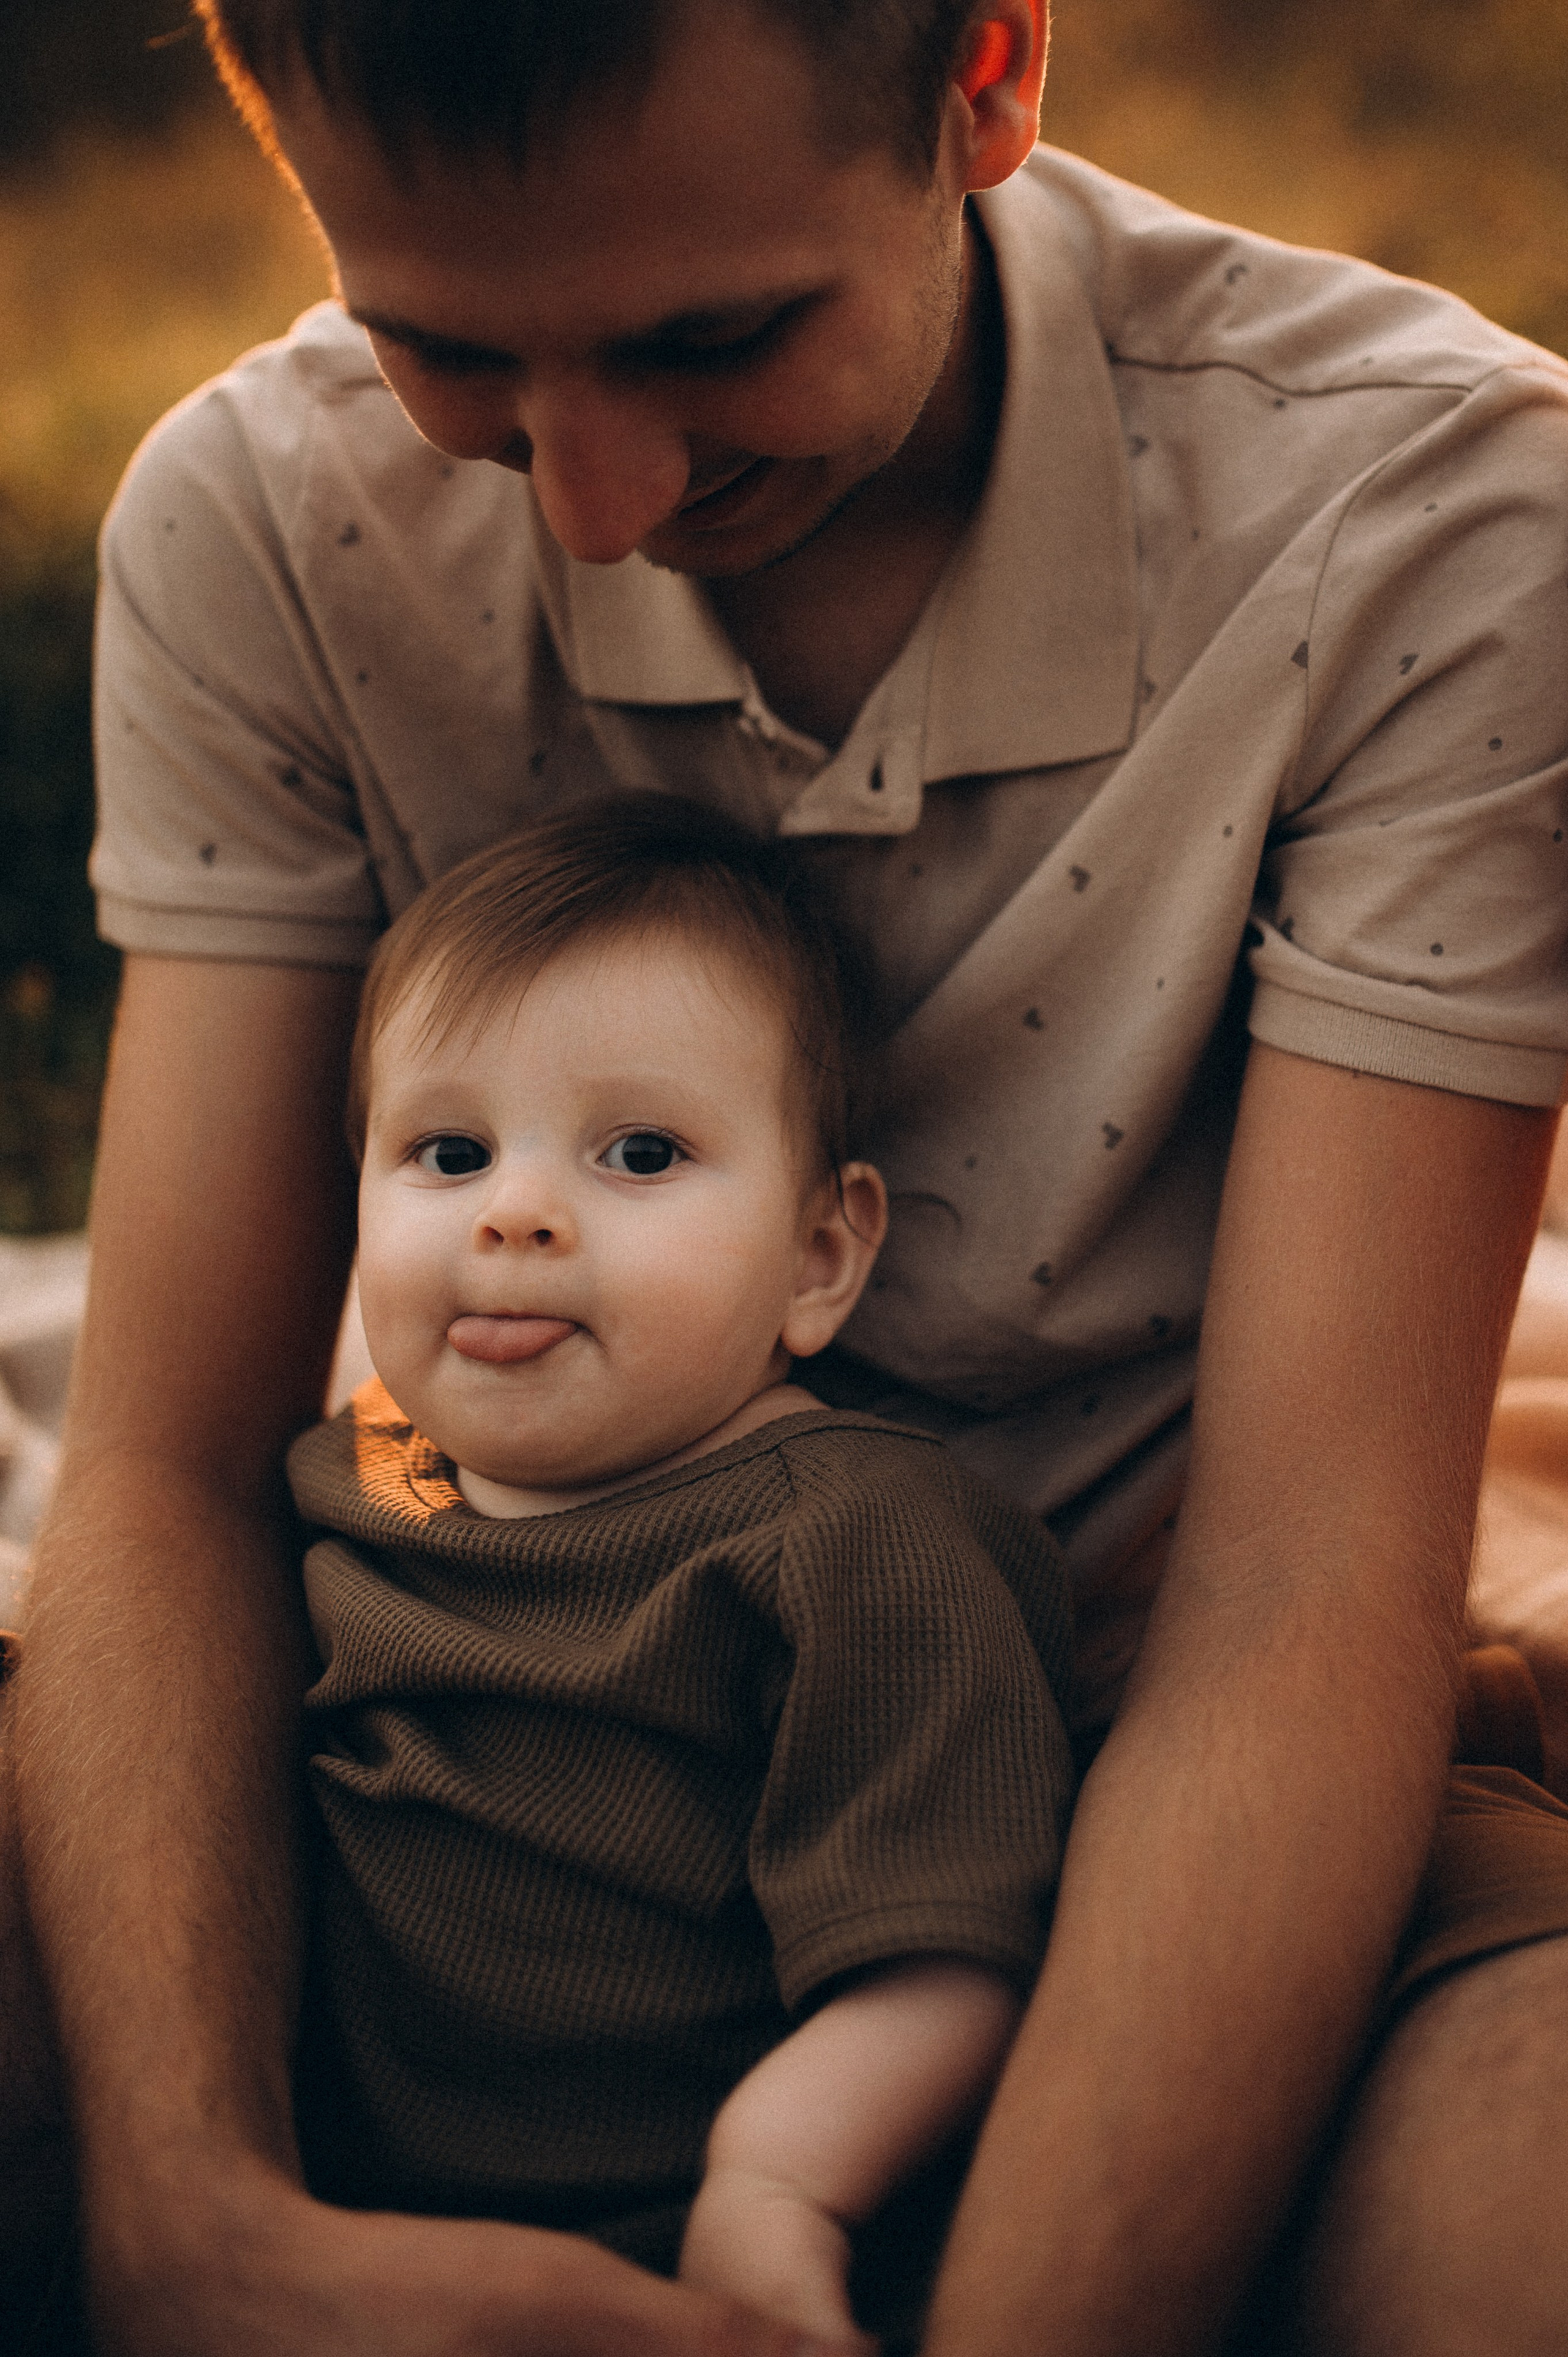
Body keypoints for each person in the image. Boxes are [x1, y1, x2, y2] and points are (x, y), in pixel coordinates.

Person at [6, 1, 1568, 2351]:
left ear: (989, 72)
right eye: (444, 351)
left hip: (1188, 1733)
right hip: (434, 1718)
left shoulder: (1437, 517)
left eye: (714, 338)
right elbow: (163, 1467)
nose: (590, 497)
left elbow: (1302, 1596)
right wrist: (193, 2214)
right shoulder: (263, 514)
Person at [287, 794, 1074, 2348]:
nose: (511, 1213)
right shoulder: (369, 1463)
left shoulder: (841, 1541)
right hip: (339, 2244)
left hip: (677, 2252)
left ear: (816, 1259)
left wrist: (777, 2185)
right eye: (446, 1151)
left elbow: (954, 1945)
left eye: (639, 1152)